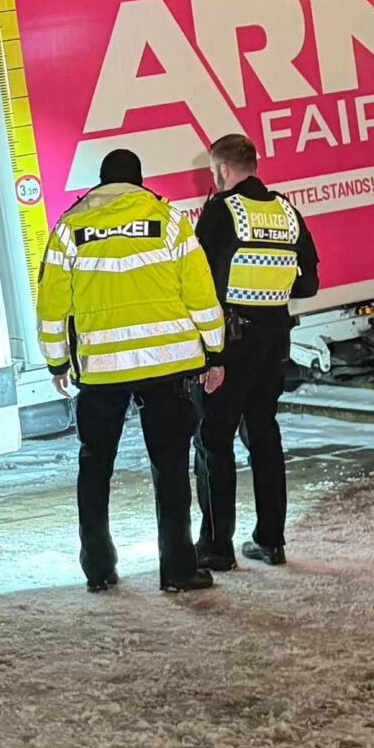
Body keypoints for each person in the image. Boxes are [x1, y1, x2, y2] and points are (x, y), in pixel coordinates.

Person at [36, 147, 226, 593]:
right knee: (172, 466)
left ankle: (98, 568)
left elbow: (51, 304)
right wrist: (215, 353)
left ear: (101, 185)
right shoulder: (171, 222)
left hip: (102, 371)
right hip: (167, 366)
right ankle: (178, 571)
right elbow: (201, 293)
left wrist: (57, 360)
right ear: (139, 181)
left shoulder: (70, 227)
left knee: (95, 465)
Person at [191, 133, 321, 568]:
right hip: (273, 344)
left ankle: (216, 546)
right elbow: (308, 283)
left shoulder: (219, 213)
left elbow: (198, 282)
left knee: (214, 440)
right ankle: (271, 540)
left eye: (213, 171)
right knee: (263, 435)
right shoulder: (286, 210)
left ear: (223, 170)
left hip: (229, 346)